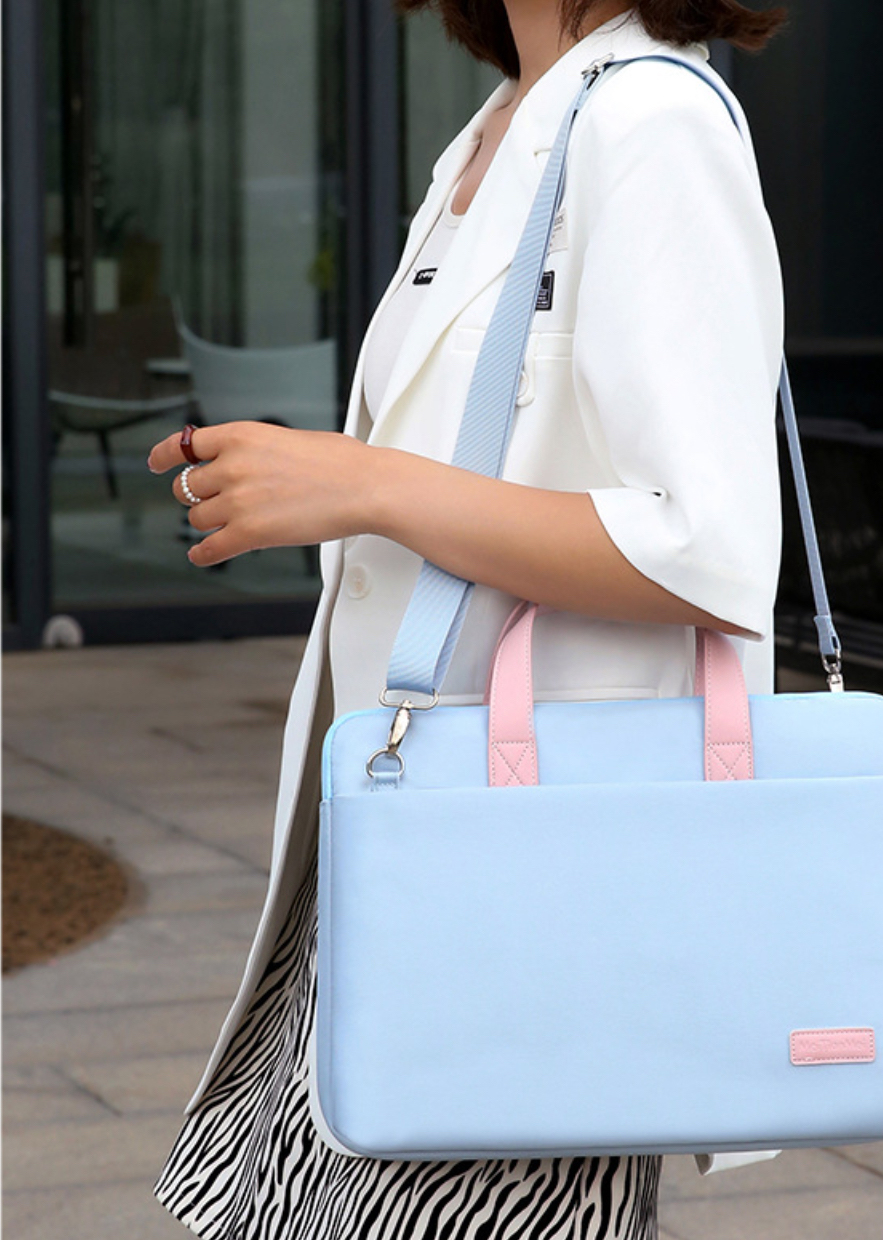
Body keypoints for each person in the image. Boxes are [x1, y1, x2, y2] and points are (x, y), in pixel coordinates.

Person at [148, 0, 788, 1234]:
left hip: (528, 899)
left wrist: (366, 485)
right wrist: (339, 479)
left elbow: (702, 548)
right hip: (401, 849)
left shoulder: (651, 122)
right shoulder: (499, 127)